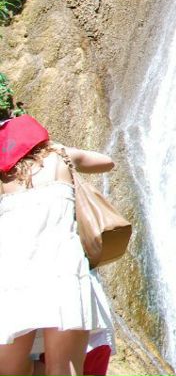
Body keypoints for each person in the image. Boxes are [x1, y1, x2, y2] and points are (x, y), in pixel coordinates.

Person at [0, 114, 116, 376]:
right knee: (63, 367)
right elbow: (108, 162)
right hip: (63, 273)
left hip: (16, 279)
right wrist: (60, 149)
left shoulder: (5, 177)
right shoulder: (60, 156)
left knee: (10, 370)